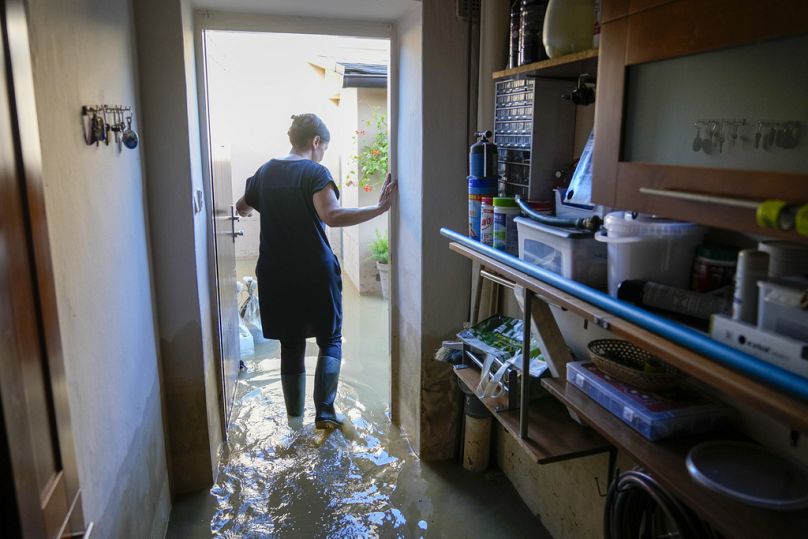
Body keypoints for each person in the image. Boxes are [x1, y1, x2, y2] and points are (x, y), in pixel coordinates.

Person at [235, 113, 397, 430]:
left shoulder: (264, 172)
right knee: (330, 338)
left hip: (275, 275)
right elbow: (332, 215)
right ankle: (325, 412)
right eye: (324, 148)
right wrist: (379, 209)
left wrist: (254, 206)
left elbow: (242, 206)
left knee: (291, 344)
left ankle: (294, 419)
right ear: (316, 142)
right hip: (313, 273)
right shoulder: (315, 172)